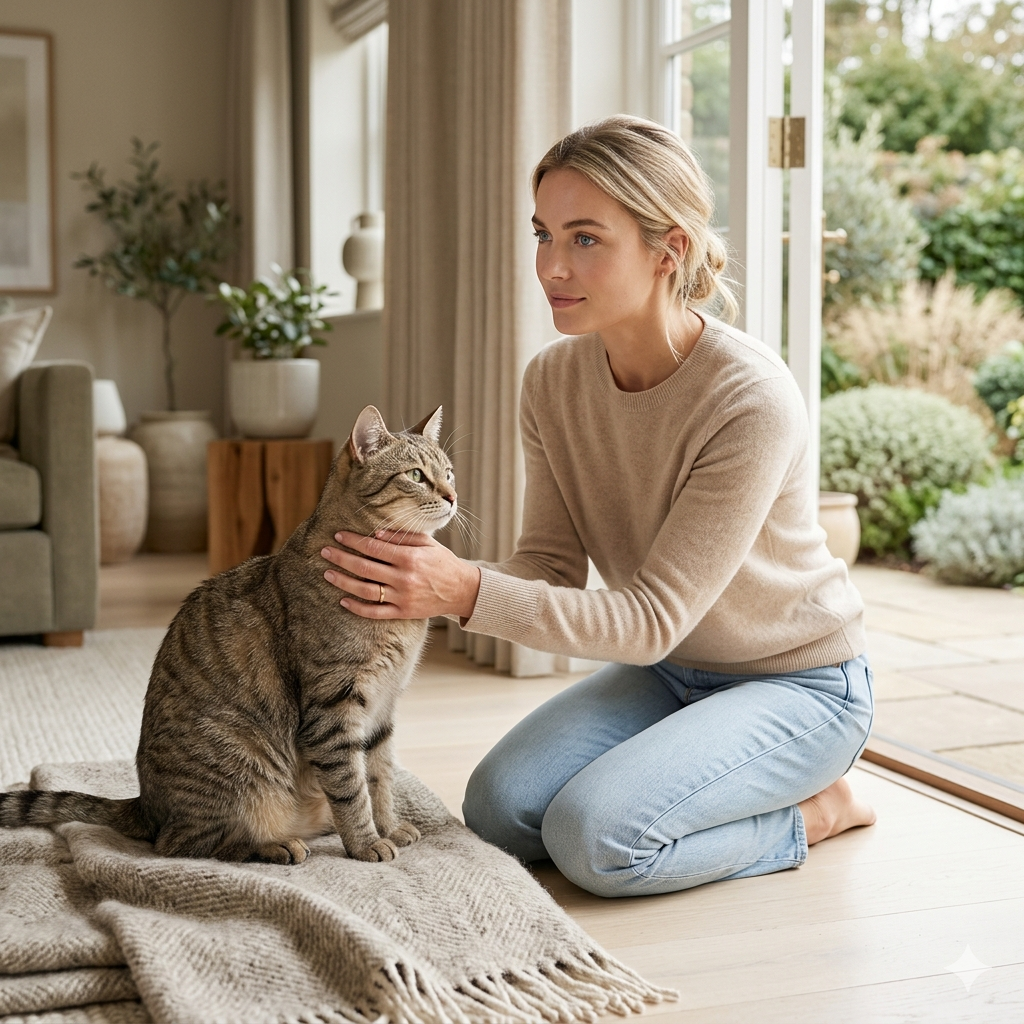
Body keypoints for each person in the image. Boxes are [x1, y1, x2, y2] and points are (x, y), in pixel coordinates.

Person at [319, 114, 877, 898]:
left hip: (798, 683)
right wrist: (418, 579)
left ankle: (821, 810)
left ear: (668, 250)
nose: (551, 266)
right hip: (672, 673)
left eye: (585, 238)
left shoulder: (749, 398)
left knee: (597, 842)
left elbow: (649, 619)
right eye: (543, 234)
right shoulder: (552, 381)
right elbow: (549, 565)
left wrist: (462, 589)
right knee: (500, 810)